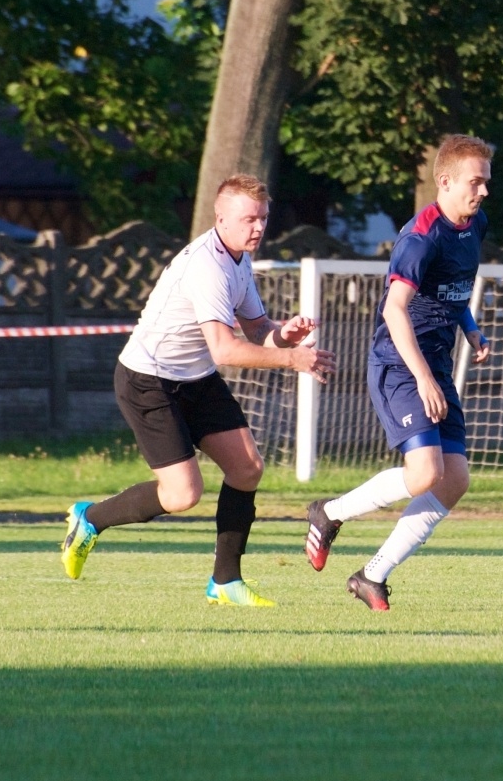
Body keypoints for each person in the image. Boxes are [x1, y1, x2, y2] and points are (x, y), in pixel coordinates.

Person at [60, 174, 335, 606]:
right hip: (148, 379)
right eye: (249, 219)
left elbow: (257, 329)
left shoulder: (239, 259)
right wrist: (291, 359)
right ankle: (89, 519)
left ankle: (225, 582)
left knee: (247, 468)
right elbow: (225, 349)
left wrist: (285, 335)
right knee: (183, 495)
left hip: (195, 377)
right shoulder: (207, 267)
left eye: (263, 218)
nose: (258, 228)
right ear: (220, 216)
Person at [303, 135, 493, 610]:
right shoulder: (419, 236)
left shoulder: (474, 224)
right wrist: (425, 378)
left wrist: (469, 327)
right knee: (426, 471)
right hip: (400, 364)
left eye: (487, 182)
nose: (484, 191)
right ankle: (329, 512)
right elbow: (394, 310)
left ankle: (373, 575)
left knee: (455, 480)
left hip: (436, 364)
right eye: (476, 182)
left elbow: (453, 287)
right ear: (445, 182)